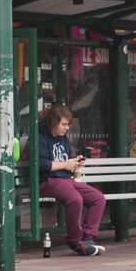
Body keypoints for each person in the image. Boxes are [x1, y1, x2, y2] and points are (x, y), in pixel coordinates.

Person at [38, 105, 107, 257]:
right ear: (52, 122)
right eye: (64, 124)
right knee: (75, 199)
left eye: (68, 124)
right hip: (47, 181)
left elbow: (68, 158)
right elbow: (41, 164)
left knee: (98, 198)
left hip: (65, 180)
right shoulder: (39, 138)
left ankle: (88, 240)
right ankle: (75, 241)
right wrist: (65, 164)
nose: (67, 128)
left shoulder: (63, 139)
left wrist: (75, 162)